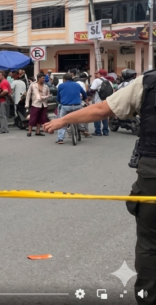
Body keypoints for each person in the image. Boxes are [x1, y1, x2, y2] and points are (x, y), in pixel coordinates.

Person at [44, 70, 156, 303]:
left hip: (152, 175)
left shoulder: (149, 82)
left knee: (150, 245)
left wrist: (64, 120)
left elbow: (102, 109)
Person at [54, 72, 88, 144]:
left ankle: (60, 139)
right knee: (79, 118)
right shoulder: (77, 85)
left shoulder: (61, 86)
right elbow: (84, 95)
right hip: (77, 106)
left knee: (62, 121)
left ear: (64, 79)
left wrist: (60, 102)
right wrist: (87, 102)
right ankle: (81, 127)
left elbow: (58, 97)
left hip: (65, 106)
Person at [25, 72, 50, 137]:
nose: (44, 79)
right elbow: (28, 95)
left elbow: (48, 95)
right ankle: (29, 131)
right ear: (39, 78)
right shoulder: (33, 85)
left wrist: (44, 97)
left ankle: (38, 131)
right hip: (35, 104)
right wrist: (27, 104)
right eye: (42, 78)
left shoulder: (46, 86)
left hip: (44, 104)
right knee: (33, 118)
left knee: (41, 118)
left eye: (44, 78)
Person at [89, 69, 113, 136]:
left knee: (96, 116)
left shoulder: (96, 80)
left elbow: (92, 89)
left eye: (97, 73)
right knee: (105, 115)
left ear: (100, 74)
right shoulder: (109, 81)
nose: (96, 74)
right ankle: (105, 131)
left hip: (98, 101)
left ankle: (98, 132)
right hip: (106, 101)